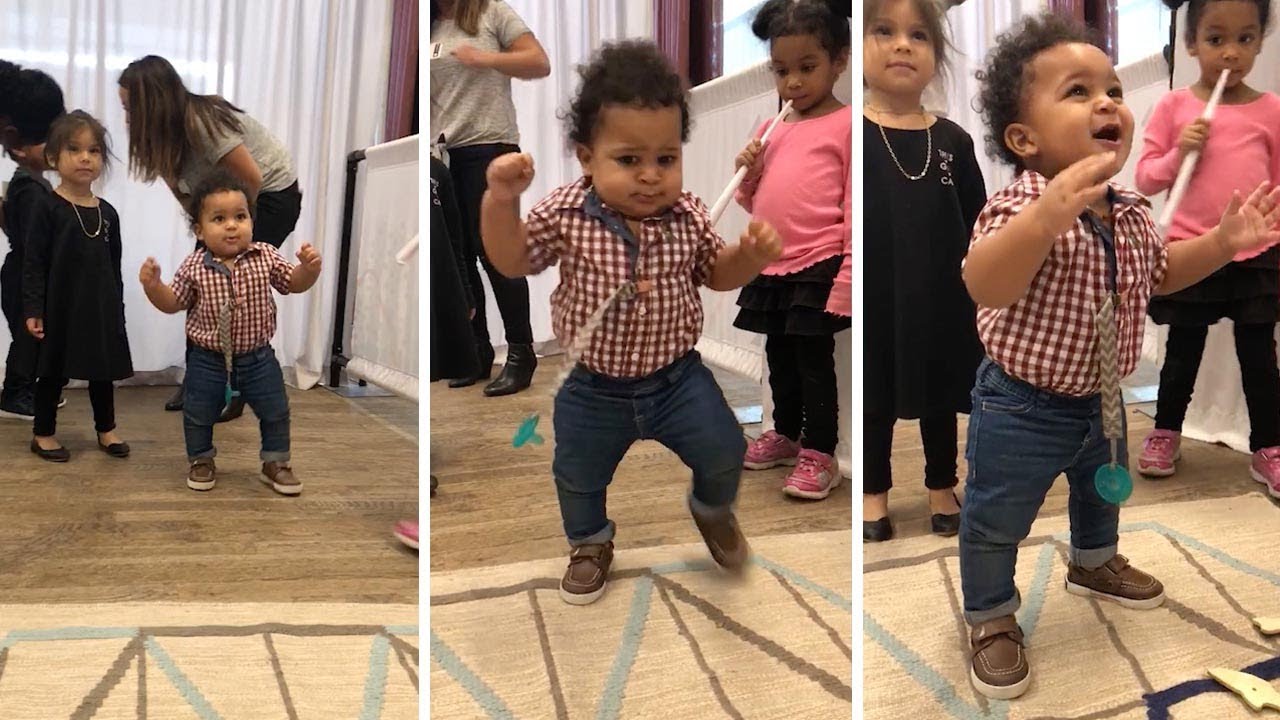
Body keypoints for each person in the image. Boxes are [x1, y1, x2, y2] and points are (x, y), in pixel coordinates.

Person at [960, 13, 1280, 699]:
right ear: (1024, 138)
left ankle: (1094, 561)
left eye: (1112, 89)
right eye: (1078, 92)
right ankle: (989, 614)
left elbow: (1161, 273)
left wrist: (1222, 244)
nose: (1108, 102)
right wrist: (1044, 220)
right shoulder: (1017, 204)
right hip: (1020, 404)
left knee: (1100, 494)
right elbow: (985, 281)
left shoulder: (1132, 209)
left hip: (1102, 394)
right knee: (995, 515)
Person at [480, 41, 782, 606]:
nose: (649, 176)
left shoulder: (688, 213)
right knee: (577, 476)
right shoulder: (564, 211)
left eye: (665, 159)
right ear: (586, 157)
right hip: (591, 387)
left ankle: (712, 508)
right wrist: (501, 201)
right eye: (628, 160)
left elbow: (716, 274)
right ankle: (590, 541)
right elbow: (512, 260)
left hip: (677, 379)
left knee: (724, 450)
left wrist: (749, 257)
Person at [1134, 0, 1280, 490]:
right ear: (1191, 43)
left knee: (1260, 354)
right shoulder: (1175, 106)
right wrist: (1180, 152)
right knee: (1183, 351)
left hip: (1256, 255)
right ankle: (1165, 430)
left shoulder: (1272, 110)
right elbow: (1146, 177)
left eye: (1245, 39)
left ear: (1261, 41)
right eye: (1215, 40)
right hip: (1190, 252)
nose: (1231, 54)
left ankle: (1268, 446)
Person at [861, 0, 986, 540]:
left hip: (942, 295)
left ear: (937, 54)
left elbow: (981, 222)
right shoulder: (850, 134)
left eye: (919, 35)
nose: (902, 44)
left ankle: (941, 484)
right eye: (884, 31)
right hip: (874, 293)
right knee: (874, 394)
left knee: (940, 387)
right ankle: (873, 493)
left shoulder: (954, 141)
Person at [118, 55, 302, 421]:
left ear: (152, 103)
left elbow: (250, 178)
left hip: (268, 196)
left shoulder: (201, 122)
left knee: (236, 285)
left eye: (130, 108)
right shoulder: (161, 139)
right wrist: (203, 229)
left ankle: (233, 389)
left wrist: (234, 226)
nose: (127, 118)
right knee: (204, 283)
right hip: (224, 201)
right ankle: (202, 381)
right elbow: (184, 194)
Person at [732, 0, 852, 501]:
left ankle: (821, 452)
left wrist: (847, 278)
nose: (794, 83)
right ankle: (785, 433)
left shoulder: (846, 126)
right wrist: (750, 169)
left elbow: (853, 208)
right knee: (777, 356)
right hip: (772, 264)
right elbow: (748, 200)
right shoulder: (771, 127)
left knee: (813, 361)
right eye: (782, 71)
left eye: (808, 68)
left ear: (839, 61)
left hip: (819, 261)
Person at [139, 172, 320, 495]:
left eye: (240, 216)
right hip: (206, 359)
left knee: (275, 410)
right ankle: (201, 459)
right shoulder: (194, 266)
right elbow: (173, 303)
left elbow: (292, 284)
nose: (232, 225)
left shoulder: (265, 255)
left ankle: (275, 462)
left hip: (259, 357)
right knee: (198, 412)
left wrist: (309, 269)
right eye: (219, 218)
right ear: (199, 229)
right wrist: (154, 287)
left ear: (252, 220)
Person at [430, 0, 550, 396]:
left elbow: (538, 61)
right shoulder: (429, 24)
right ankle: (475, 352)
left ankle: (521, 353)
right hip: (447, 153)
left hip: (490, 146)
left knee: (496, 255)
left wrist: (483, 58)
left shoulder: (491, 12)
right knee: (460, 257)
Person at [23, 111, 134, 462]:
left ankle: (106, 429)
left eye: (94, 150)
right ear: (55, 157)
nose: (85, 158)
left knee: (103, 372)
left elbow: (113, 267)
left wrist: (117, 309)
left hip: (99, 306)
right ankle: (43, 433)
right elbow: (34, 262)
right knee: (52, 371)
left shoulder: (108, 214)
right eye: (75, 149)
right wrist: (33, 309)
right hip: (60, 307)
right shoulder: (47, 207)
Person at [0, 62, 65, 420]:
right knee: (26, 340)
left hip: (26, 275)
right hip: (22, 277)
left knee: (33, 340)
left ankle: (28, 390)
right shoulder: (30, 187)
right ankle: (17, 394)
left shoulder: (32, 182)